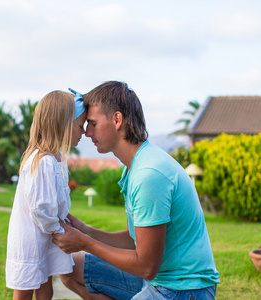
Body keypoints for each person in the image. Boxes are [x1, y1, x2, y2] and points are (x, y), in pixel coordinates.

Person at [52, 81, 220, 300]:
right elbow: (137, 239)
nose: (86, 132)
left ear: (117, 119)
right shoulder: (136, 166)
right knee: (71, 268)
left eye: (92, 123)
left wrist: (86, 243)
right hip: (157, 279)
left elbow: (146, 266)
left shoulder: (149, 175)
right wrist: (87, 231)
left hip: (184, 289)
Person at [6, 89, 87, 300]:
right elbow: (41, 207)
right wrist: (57, 229)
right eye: (80, 125)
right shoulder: (43, 161)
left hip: (46, 236)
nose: (84, 132)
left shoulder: (56, 160)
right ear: (63, 125)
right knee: (25, 289)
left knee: (46, 288)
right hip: (34, 238)